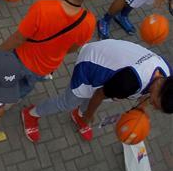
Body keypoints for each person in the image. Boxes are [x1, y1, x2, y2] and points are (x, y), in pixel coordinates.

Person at [0, 0, 105, 104]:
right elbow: (72, 49)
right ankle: (11, 101)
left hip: (19, 59)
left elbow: (18, 38)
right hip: (44, 68)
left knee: (3, 81)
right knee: (24, 87)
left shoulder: (42, 8)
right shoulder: (89, 22)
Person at [21, 40, 172, 143]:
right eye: (156, 104)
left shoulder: (168, 73)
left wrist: (140, 109)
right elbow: (99, 94)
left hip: (110, 69)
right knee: (66, 103)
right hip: (91, 65)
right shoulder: (129, 82)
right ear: (160, 90)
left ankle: (79, 114)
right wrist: (89, 116)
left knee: (95, 98)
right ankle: (31, 114)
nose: (153, 107)